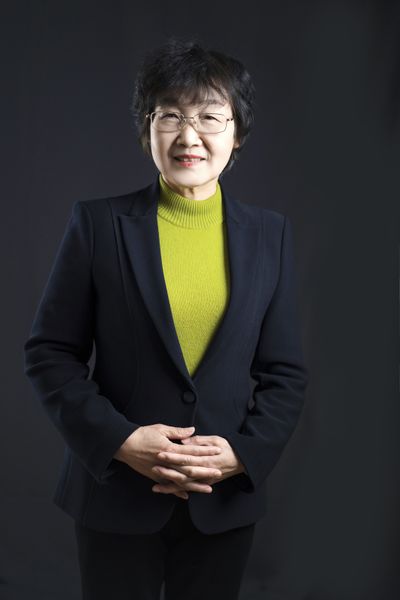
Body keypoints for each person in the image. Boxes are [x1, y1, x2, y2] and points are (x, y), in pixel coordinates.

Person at [23, 37, 308, 600]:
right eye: (170, 116)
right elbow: (50, 354)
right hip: (115, 494)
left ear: (237, 133)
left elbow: (285, 372)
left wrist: (242, 454)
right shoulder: (98, 224)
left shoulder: (268, 235)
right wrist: (122, 441)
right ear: (146, 130)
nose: (189, 136)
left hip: (222, 500)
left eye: (209, 117)